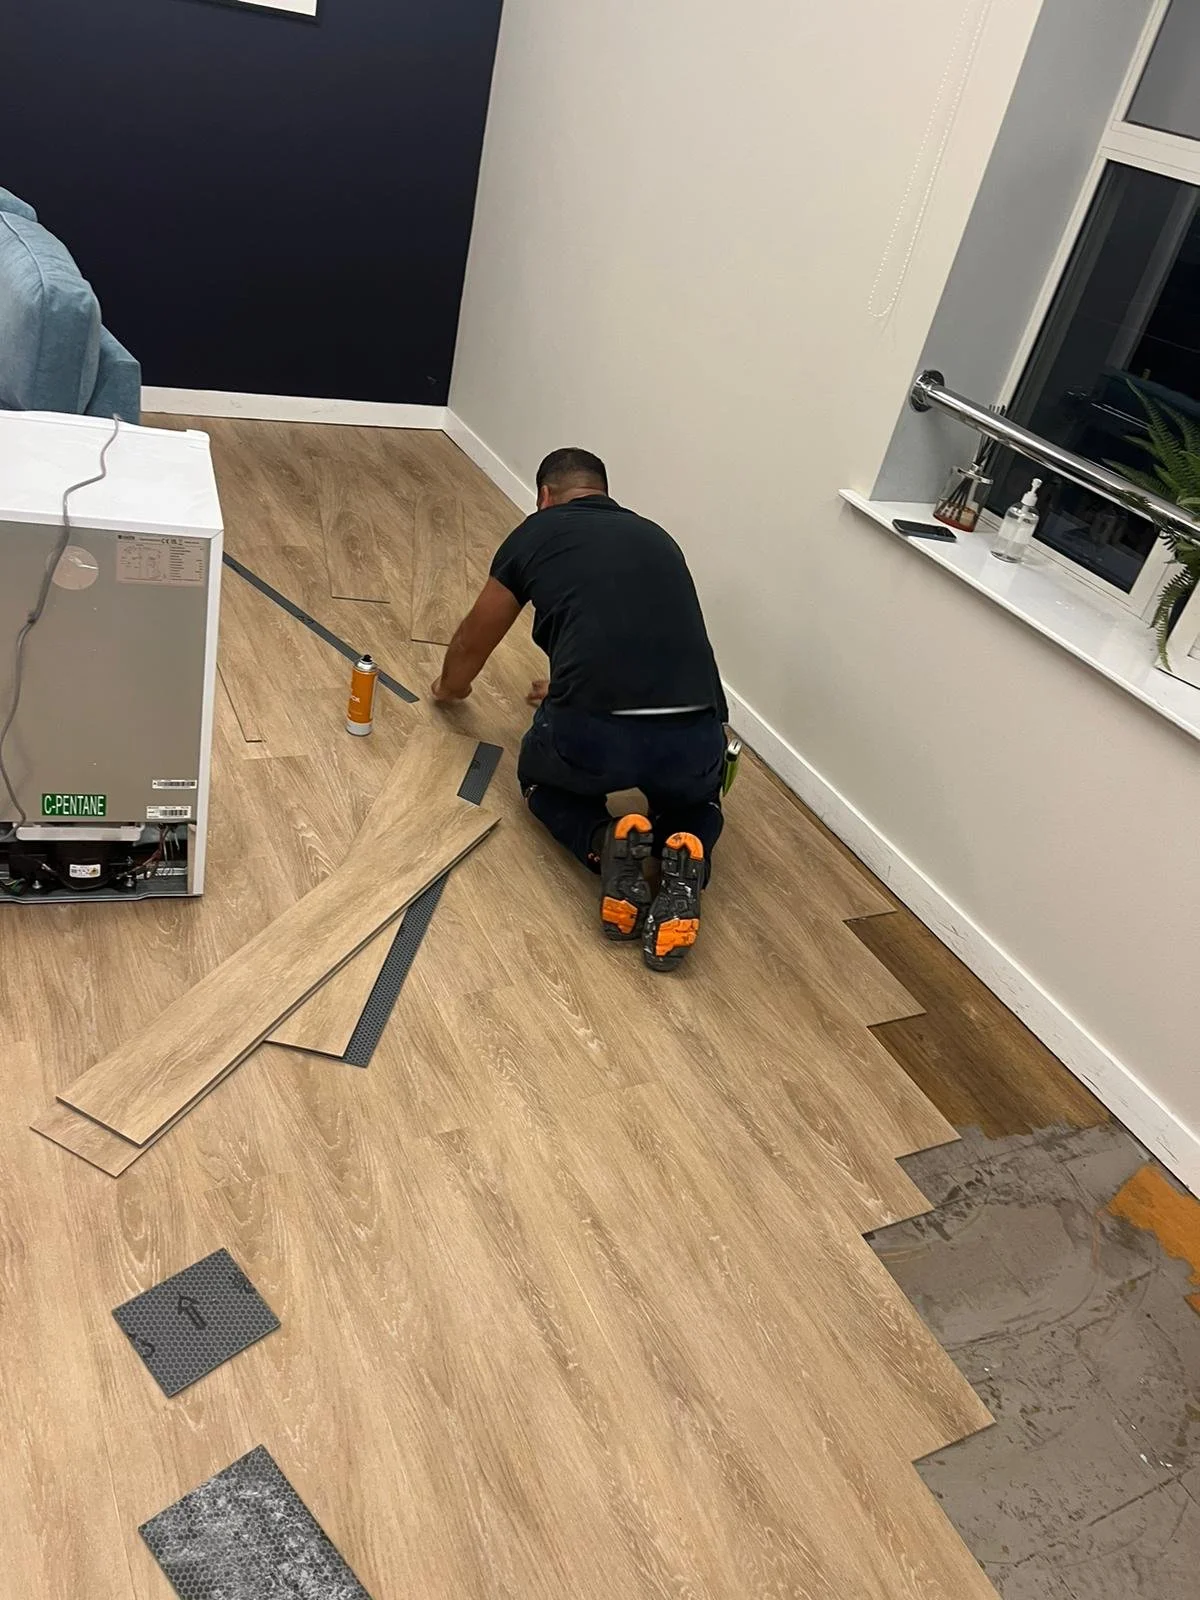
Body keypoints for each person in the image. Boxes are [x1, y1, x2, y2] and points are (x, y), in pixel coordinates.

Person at [431, 447, 727, 971]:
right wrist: (566, 684)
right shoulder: (657, 536)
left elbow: (476, 636)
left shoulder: (536, 532)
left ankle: (603, 839)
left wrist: (449, 688)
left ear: (544, 496)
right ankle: (686, 849)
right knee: (698, 801)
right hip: (696, 730)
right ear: (604, 491)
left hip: (596, 736)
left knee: (540, 781)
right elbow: (646, 635)